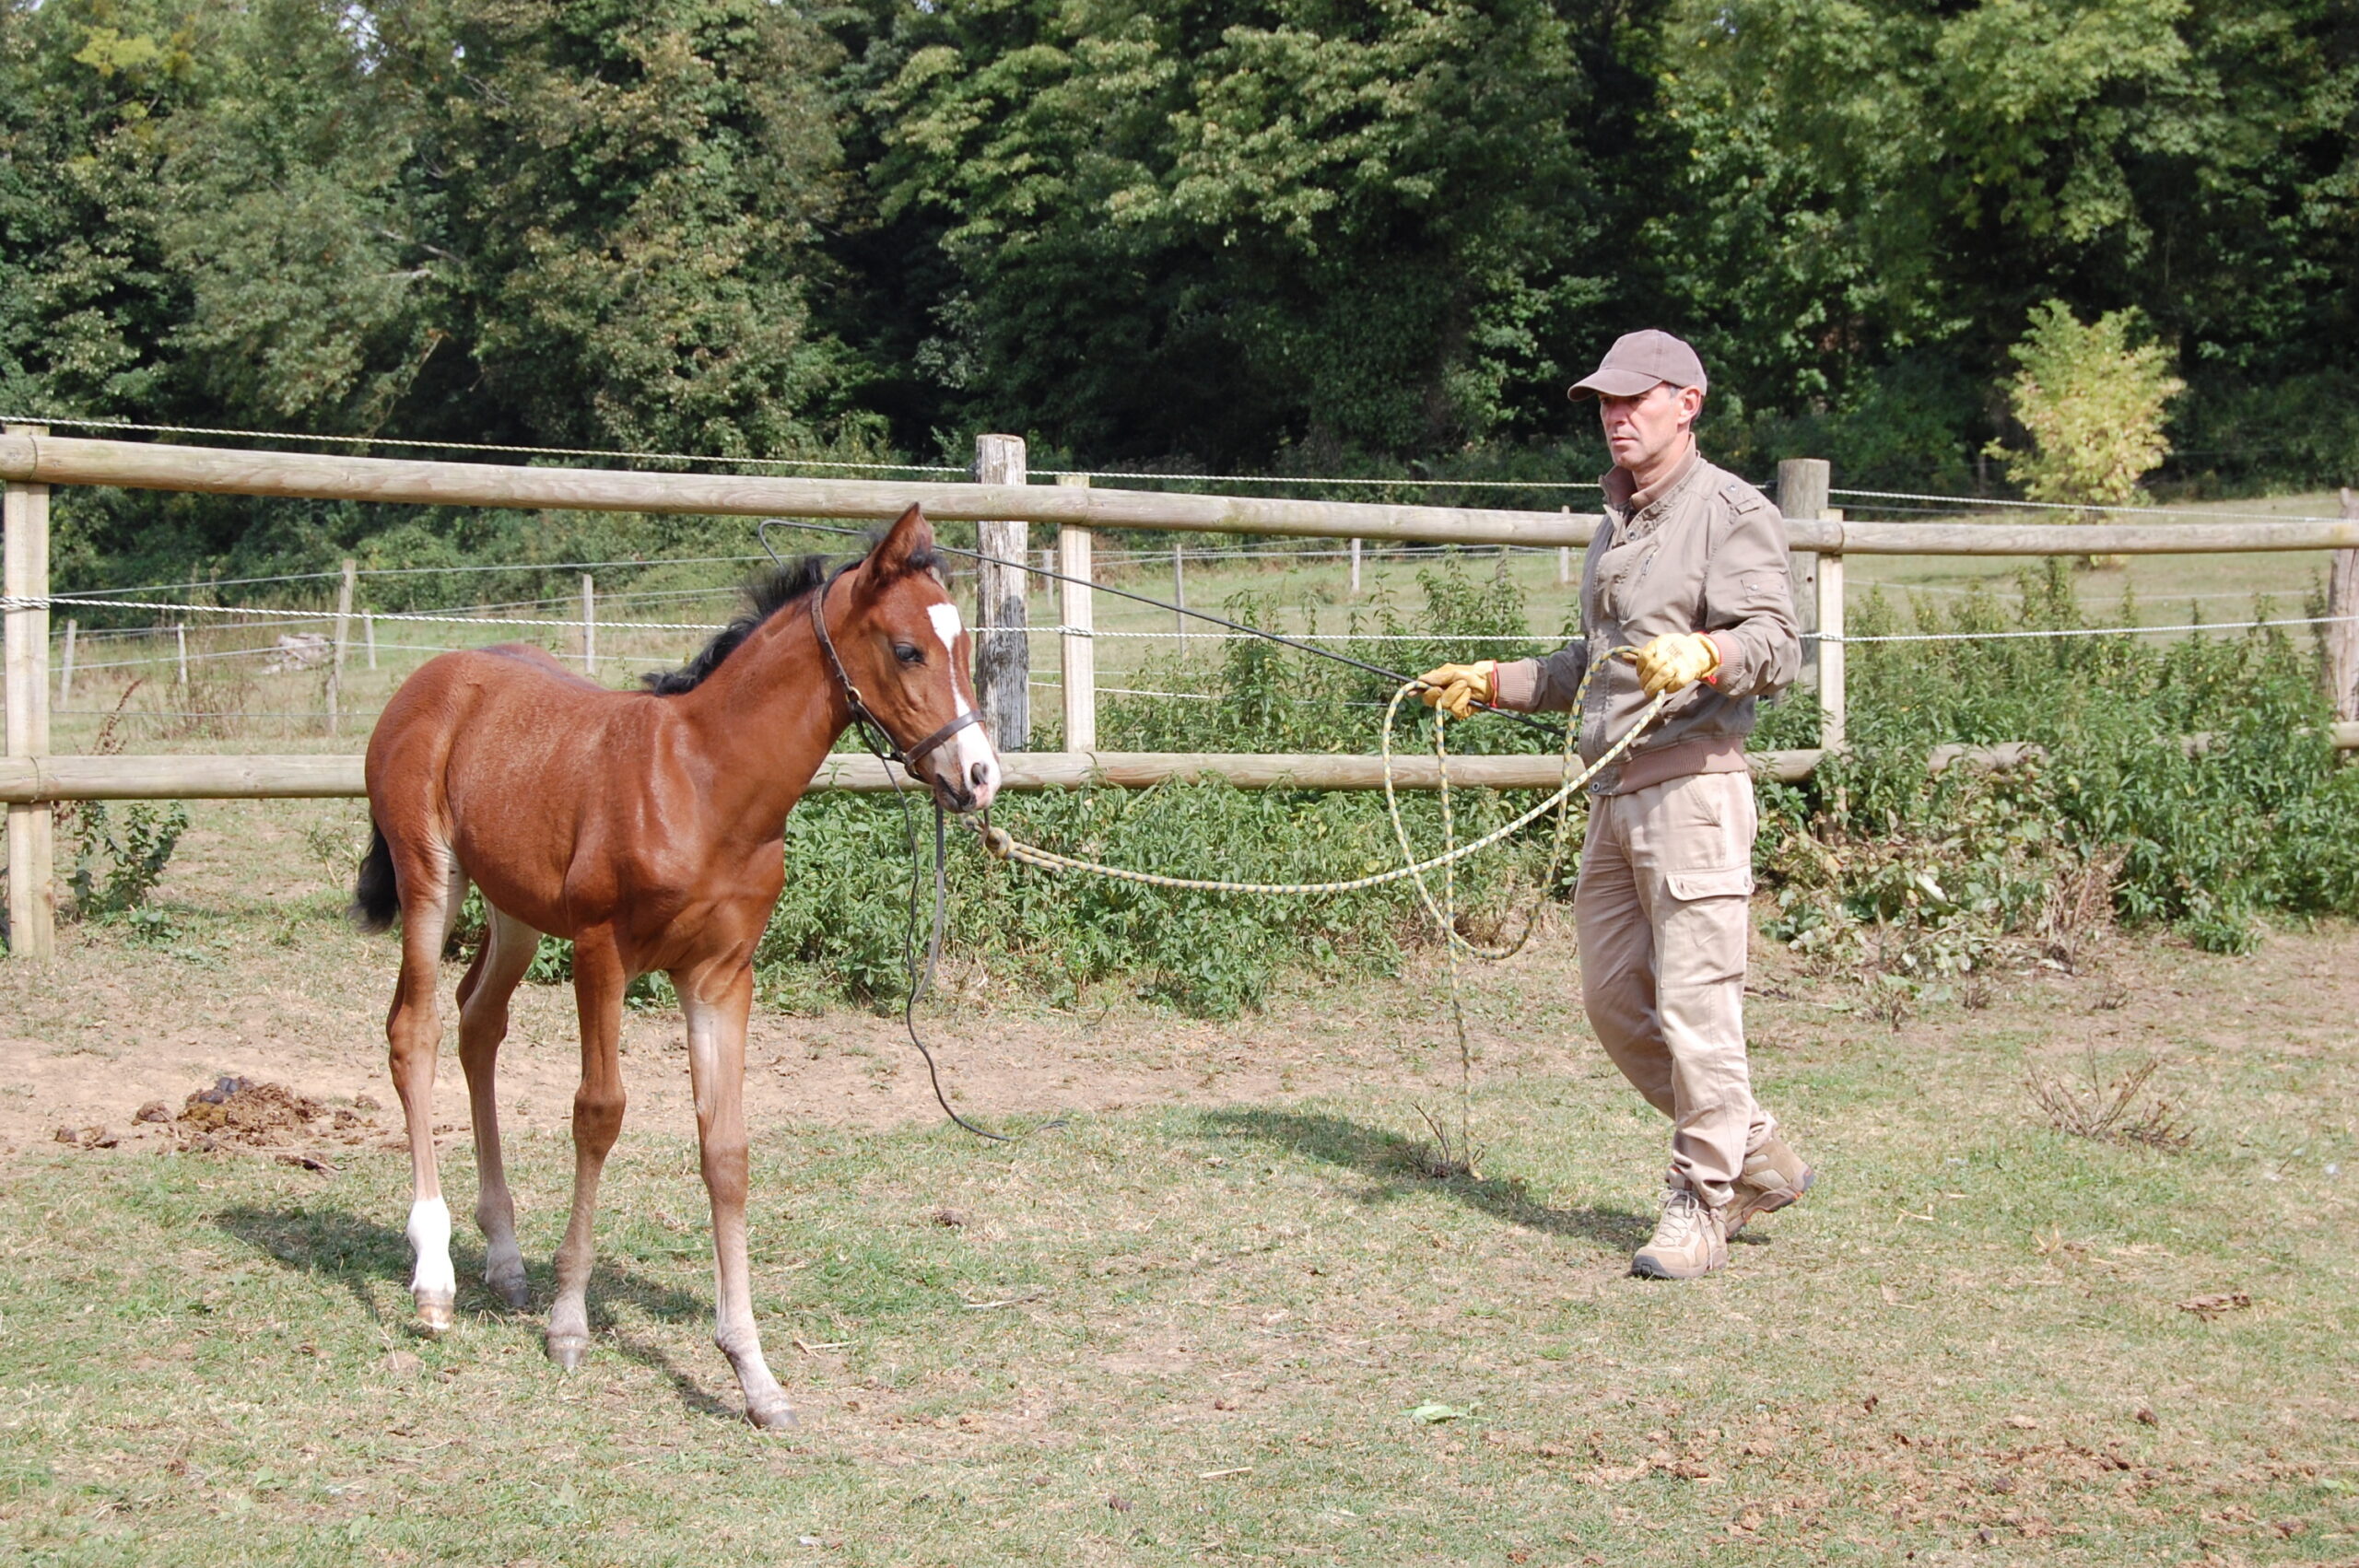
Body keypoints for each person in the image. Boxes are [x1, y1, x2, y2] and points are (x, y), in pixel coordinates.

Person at [1417, 329, 1813, 1280]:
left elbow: (1778, 639)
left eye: (1635, 399)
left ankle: (1699, 1202)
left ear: (1689, 403)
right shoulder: (1619, 523)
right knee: (1611, 1006)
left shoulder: (1728, 511)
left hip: (1694, 789)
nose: (1615, 416)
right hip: (1614, 797)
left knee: (1695, 1010)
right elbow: (1587, 665)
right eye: (1604, 401)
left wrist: (1709, 653)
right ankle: (1753, 1153)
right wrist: (1495, 680)